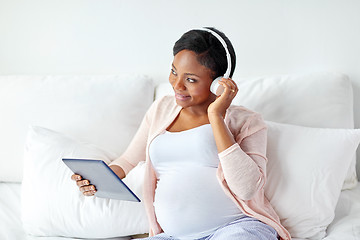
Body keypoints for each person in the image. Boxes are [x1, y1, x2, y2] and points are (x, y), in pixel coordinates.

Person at [71, 27, 291, 240]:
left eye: (191, 79)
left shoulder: (247, 121)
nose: (177, 85)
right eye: (174, 71)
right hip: (174, 236)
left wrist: (216, 116)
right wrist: (99, 177)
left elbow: (247, 189)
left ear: (217, 83)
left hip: (236, 229)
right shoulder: (161, 109)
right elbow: (128, 160)